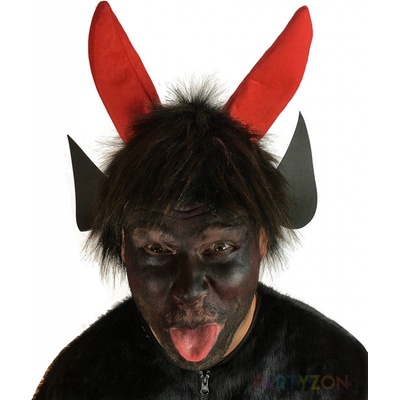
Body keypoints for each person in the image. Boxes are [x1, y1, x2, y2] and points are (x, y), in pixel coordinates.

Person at [33, 2, 367, 399]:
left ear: (261, 240)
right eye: (157, 249)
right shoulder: (78, 383)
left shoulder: (339, 372)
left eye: (220, 248)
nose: (189, 290)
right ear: (123, 245)